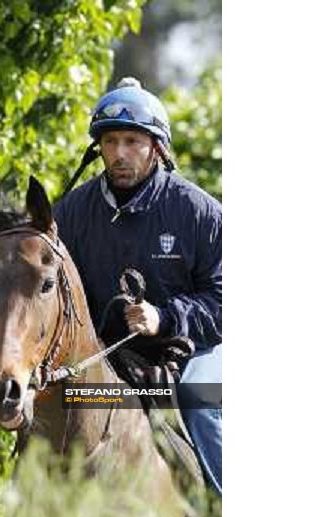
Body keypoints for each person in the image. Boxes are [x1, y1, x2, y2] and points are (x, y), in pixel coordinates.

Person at [53, 77, 222, 495]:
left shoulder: (201, 213)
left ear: (157, 148)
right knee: (65, 405)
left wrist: (164, 317)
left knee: (199, 405)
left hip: (191, 351)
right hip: (110, 358)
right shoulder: (71, 213)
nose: (120, 154)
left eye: (132, 141)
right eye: (110, 142)